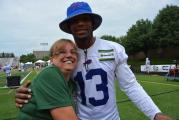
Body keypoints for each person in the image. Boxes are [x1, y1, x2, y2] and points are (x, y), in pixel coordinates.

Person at [15, 2, 172, 120]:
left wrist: (155, 114)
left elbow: (130, 86)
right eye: (75, 20)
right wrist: (28, 93)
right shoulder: (67, 58)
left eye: (85, 19)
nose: (81, 23)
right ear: (69, 27)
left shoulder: (113, 49)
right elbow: (49, 83)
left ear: (93, 23)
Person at [17, 39, 78, 120]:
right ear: (52, 59)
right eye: (62, 52)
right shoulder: (50, 74)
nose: (69, 55)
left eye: (73, 52)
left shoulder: (71, 83)